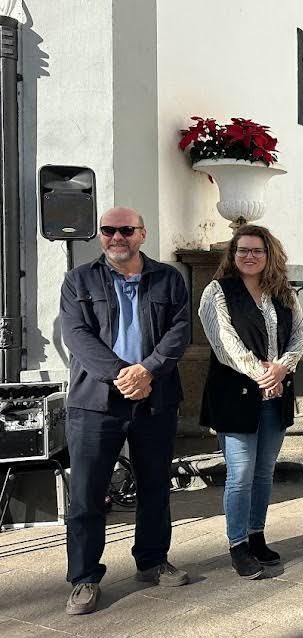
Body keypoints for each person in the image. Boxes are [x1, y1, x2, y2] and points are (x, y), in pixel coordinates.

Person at [60, 207, 191, 615]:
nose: (117, 237)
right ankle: (83, 578)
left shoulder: (168, 278)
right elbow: (76, 335)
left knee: (155, 486)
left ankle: (152, 561)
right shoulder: (78, 280)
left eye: (126, 230)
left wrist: (147, 372)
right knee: (86, 494)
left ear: (142, 234)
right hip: (96, 402)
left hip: (155, 397)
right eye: (109, 230)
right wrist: (122, 375)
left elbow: (180, 330)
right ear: (100, 236)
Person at [199, 225, 303, 580]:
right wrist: (262, 373)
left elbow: (298, 336)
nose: (249, 256)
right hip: (237, 395)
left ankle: (257, 535)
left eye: (257, 250)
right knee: (240, 475)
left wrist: (282, 367)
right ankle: (237, 545)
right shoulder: (217, 291)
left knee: (263, 472)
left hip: (275, 397)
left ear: (269, 254)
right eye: (242, 250)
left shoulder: (283, 292)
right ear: (233, 254)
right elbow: (223, 341)